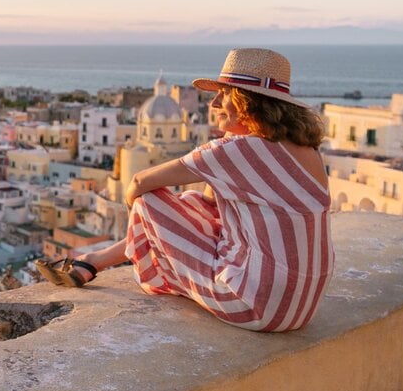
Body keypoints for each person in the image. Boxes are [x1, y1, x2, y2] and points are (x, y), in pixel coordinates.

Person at [36, 48, 333, 332]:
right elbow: (207, 203)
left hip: (253, 304)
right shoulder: (309, 151)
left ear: (249, 103)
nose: (213, 103)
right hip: (301, 307)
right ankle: (94, 261)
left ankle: (96, 263)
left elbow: (140, 183)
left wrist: (141, 218)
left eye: (224, 94)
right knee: (192, 200)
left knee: (148, 200)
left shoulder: (239, 149)